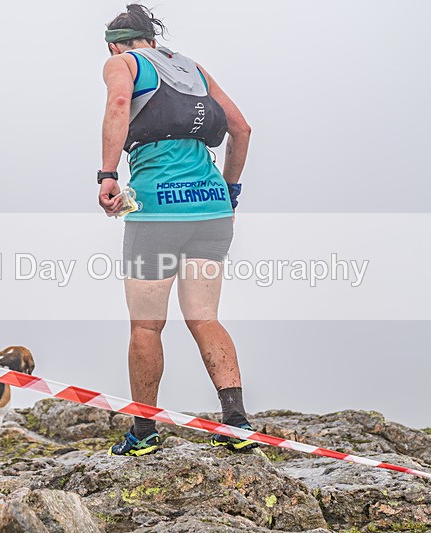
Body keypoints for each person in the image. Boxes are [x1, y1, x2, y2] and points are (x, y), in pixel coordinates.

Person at [98, 5, 255, 456]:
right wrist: (230, 190)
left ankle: (143, 432)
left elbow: (118, 104)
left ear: (115, 43)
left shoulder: (121, 63)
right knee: (205, 317)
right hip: (212, 211)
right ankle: (237, 422)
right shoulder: (192, 68)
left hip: (156, 213)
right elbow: (241, 128)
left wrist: (107, 174)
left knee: (147, 326)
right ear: (151, 38)